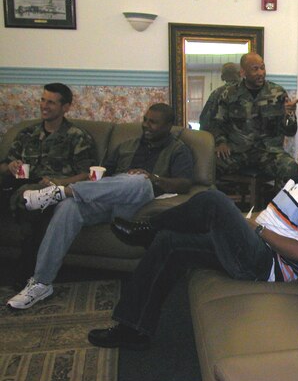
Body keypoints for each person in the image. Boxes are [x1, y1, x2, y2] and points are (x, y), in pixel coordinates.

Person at [88, 129, 298, 350]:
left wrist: (257, 229)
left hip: (266, 264)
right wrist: (252, 225)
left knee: (215, 200)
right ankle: (132, 329)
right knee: (170, 242)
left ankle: (147, 229)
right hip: (255, 246)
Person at [7, 104, 193, 310]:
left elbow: (184, 184)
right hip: (106, 200)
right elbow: (103, 176)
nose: (146, 125)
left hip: (137, 204)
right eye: (145, 120)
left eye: (153, 122)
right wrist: (98, 178)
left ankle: (63, 191)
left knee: (139, 180)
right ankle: (41, 282)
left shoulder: (178, 150)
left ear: (168, 126)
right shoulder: (126, 145)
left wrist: (154, 178)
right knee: (69, 207)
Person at [0, 82, 97, 288]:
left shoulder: (77, 137)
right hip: (20, 182)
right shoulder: (27, 134)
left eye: (51, 102)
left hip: (53, 190)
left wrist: (60, 183)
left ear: (66, 107)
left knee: (32, 199)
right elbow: (4, 165)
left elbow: (88, 175)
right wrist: (10, 166)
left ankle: (27, 272)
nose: (44, 106)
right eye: (43, 100)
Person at [212, 52, 298, 188]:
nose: (260, 73)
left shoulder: (277, 92)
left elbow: (290, 131)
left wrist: (290, 115)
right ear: (243, 72)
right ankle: (218, 206)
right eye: (255, 69)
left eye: (262, 68)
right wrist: (221, 142)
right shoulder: (229, 94)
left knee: (291, 168)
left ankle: (279, 207)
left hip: (269, 152)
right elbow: (218, 123)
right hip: (238, 151)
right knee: (207, 165)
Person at [198, 61, 241, 132]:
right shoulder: (248, 91)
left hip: (220, 139)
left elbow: (204, 121)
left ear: (222, 77)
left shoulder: (216, 94)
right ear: (240, 74)